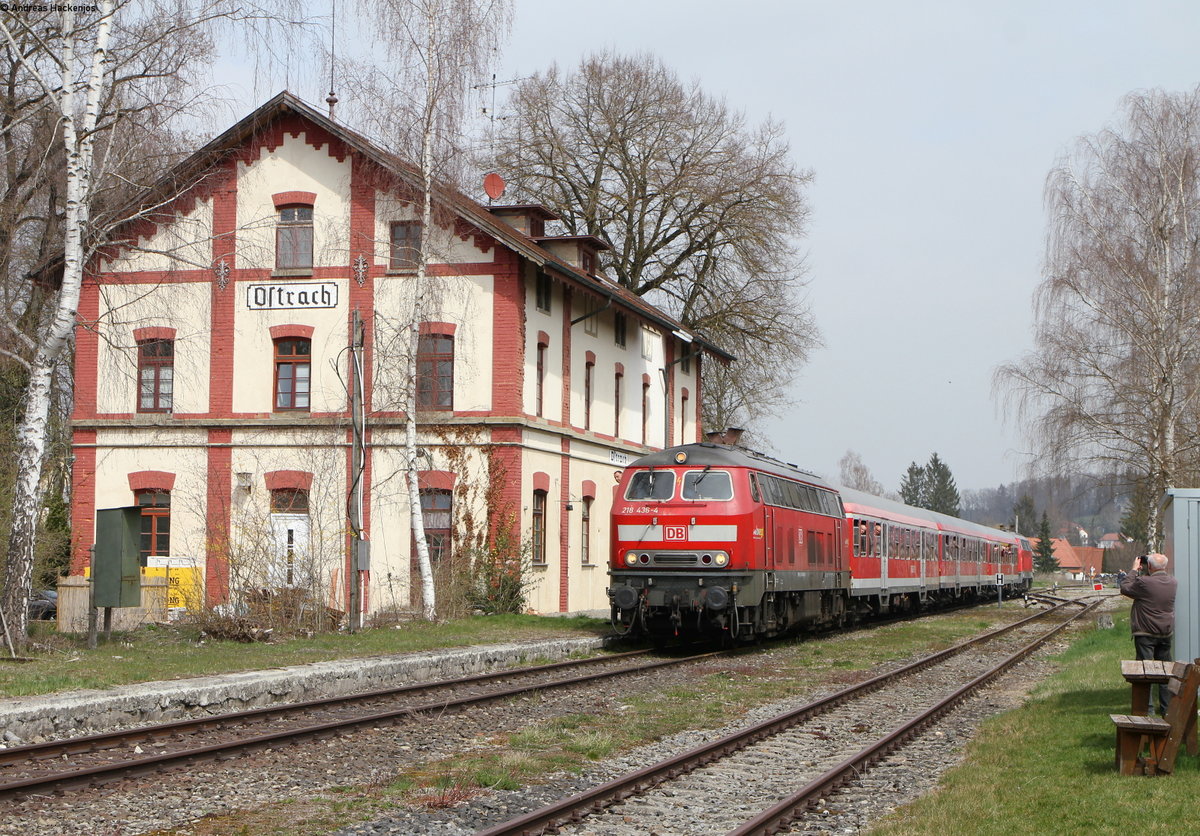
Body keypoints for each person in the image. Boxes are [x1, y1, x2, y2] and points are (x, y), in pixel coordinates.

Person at [1119, 553, 1178, 715]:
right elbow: (1151, 585)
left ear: (1149, 567)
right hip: (1165, 633)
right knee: (1166, 674)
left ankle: (1147, 711)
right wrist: (1147, 571)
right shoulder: (1173, 582)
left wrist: (1133, 570)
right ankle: (1167, 711)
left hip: (1145, 633)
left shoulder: (1144, 582)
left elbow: (1125, 587)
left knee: (1145, 673)